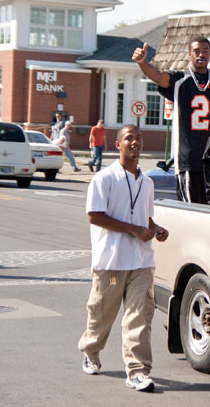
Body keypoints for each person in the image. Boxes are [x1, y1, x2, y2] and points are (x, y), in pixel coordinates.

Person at [78, 124, 169, 392]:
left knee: (139, 318)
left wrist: (155, 228)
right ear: (117, 144)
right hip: (111, 260)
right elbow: (95, 215)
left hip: (141, 261)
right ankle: (91, 350)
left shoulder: (148, 182)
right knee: (101, 316)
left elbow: (146, 216)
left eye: (138, 138)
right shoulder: (104, 178)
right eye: (129, 138)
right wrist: (134, 229)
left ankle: (138, 371)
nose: (135, 142)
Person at [132, 36, 210, 203]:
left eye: (205, 51)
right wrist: (142, 62)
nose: (201, 55)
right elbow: (158, 76)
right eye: (197, 51)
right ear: (189, 54)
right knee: (192, 208)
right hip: (189, 159)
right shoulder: (180, 80)